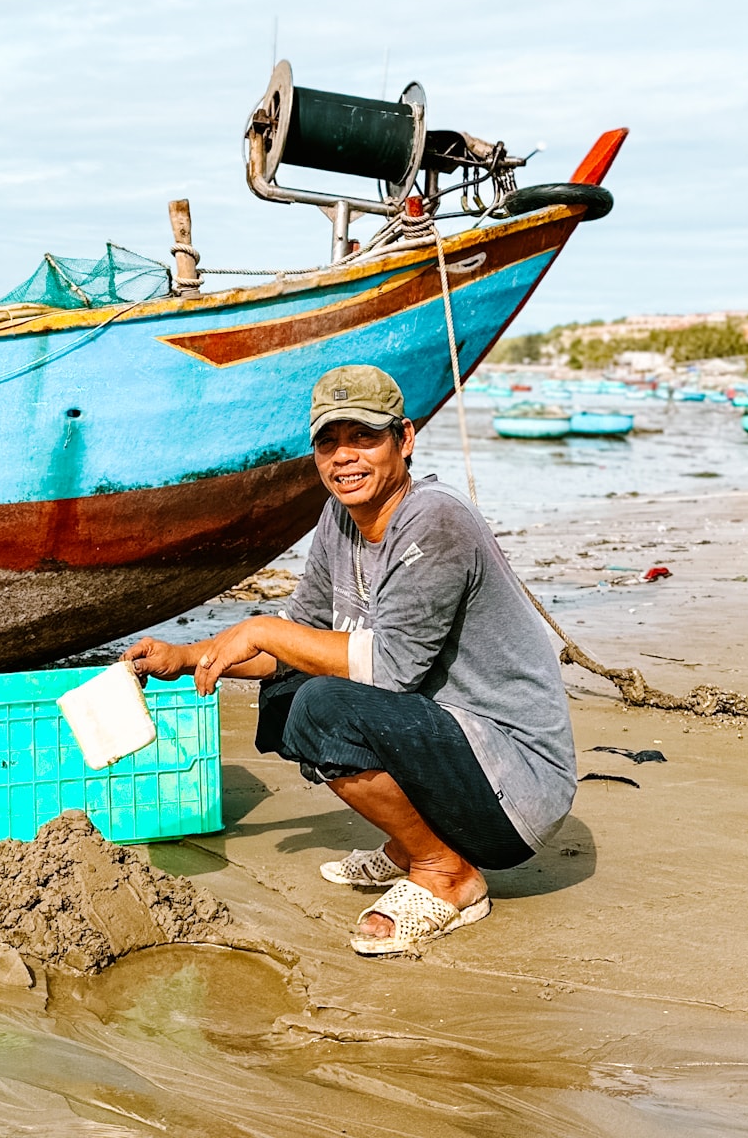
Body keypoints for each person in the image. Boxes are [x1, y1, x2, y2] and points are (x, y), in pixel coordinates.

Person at [127, 363, 577, 957]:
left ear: (405, 440)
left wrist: (261, 628)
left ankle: (447, 872)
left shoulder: (435, 519)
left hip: (516, 785)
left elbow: (386, 667)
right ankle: (412, 844)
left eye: (364, 437)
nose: (345, 457)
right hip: (448, 741)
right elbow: (301, 640)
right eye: (328, 441)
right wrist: (189, 657)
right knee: (289, 699)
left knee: (322, 706)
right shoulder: (338, 520)